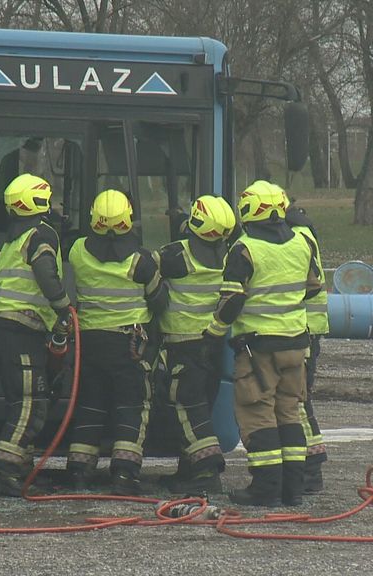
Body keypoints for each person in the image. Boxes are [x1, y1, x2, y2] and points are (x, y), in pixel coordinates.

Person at [202, 180, 319, 507]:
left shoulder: (244, 248)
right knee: (289, 411)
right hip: (296, 345)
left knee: (258, 413)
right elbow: (313, 285)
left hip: (257, 349)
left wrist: (213, 332)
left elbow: (232, 299)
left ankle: (266, 487)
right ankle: (292, 489)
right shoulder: (302, 242)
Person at [66, 189, 164, 496]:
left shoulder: (78, 251)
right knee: (131, 406)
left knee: (90, 405)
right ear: (128, 220)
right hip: (128, 345)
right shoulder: (141, 261)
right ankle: (124, 475)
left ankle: (79, 472)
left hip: (89, 343)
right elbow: (160, 301)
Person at [0, 173, 72, 496]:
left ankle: (20, 468)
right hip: (20, 327)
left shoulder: (12, 238)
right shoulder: (40, 234)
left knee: (23, 399)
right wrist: (64, 307)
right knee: (30, 402)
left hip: (10, 326)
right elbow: (46, 274)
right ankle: (4, 470)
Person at [154, 195, 236, 495]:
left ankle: (207, 470)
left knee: (188, 407)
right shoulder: (230, 258)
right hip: (213, 345)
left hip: (182, 346)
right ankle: (187, 471)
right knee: (202, 403)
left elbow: (142, 269)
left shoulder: (175, 255)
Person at [286, 200, 329, 494]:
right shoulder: (303, 233)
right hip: (306, 329)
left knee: (298, 400)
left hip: (304, 330)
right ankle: (304, 468)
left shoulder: (296, 238)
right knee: (298, 399)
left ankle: (311, 469)